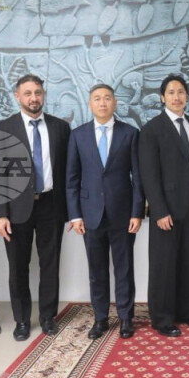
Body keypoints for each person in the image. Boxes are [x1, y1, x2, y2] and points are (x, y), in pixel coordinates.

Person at [0, 75, 70, 341]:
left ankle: (48, 317)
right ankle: (22, 320)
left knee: (50, 264)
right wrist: (0, 214)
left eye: (37, 92)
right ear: (17, 96)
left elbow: (67, 172)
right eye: (27, 93)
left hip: (51, 205)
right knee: (18, 266)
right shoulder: (4, 129)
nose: (33, 98)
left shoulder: (61, 128)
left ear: (43, 94)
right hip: (16, 208)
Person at [66, 84, 144, 340]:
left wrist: (136, 212)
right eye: (97, 99)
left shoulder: (130, 133)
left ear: (114, 103)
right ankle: (100, 318)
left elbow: (138, 178)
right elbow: (72, 179)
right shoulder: (78, 135)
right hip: (90, 215)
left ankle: (125, 318)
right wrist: (75, 215)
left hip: (123, 215)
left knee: (124, 269)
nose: (102, 103)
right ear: (90, 104)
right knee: (96, 271)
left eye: (107, 98)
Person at [139, 74, 189, 337]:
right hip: (166, 209)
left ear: (186, 96)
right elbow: (149, 174)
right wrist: (158, 210)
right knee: (163, 264)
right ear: (162, 97)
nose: (176, 97)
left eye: (180, 92)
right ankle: (162, 318)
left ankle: (185, 310)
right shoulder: (152, 129)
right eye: (171, 92)